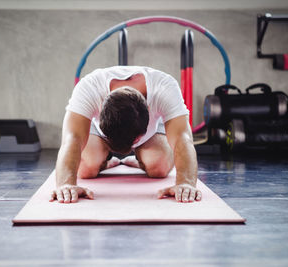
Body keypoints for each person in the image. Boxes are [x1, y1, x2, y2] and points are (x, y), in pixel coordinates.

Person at [52, 66, 202, 204]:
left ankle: (139, 161)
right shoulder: (89, 88)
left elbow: (183, 137)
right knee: (85, 169)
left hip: (149, 133)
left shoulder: (164, 88)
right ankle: (105, 162)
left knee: (159, 167)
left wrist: (185, 182)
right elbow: (72, 138)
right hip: (101, 133)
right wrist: (66, 184)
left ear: (148, 109)